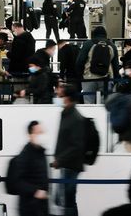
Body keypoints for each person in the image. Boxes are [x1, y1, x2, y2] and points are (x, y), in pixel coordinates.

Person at [51, 84, 85, 216]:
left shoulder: (75, 117)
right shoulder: (66, 114)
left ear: (68, 98)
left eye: (60, 96)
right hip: (66, 164)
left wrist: (59, 160)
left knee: (67, 200)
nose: (57, 98)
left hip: (71, 165)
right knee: (64, 199)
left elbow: (76, 145)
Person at [76, 26, 120, 104]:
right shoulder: (112, 46)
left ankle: (91, 115)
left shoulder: (88, 44)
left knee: (88, 102)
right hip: (106, 78)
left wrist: (80, 76)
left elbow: (80, 61)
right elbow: (115, 65)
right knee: (105, 104)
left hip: (89, 78)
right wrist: (116, 79)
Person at [15, 121, 49, 216]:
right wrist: (36, 191)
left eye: (42, 132)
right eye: (38, 133)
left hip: (41, 206)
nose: (41, 135)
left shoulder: (41, 152)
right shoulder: (25, 154)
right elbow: (18, 181)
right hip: (29, 207)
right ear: (31, 135)